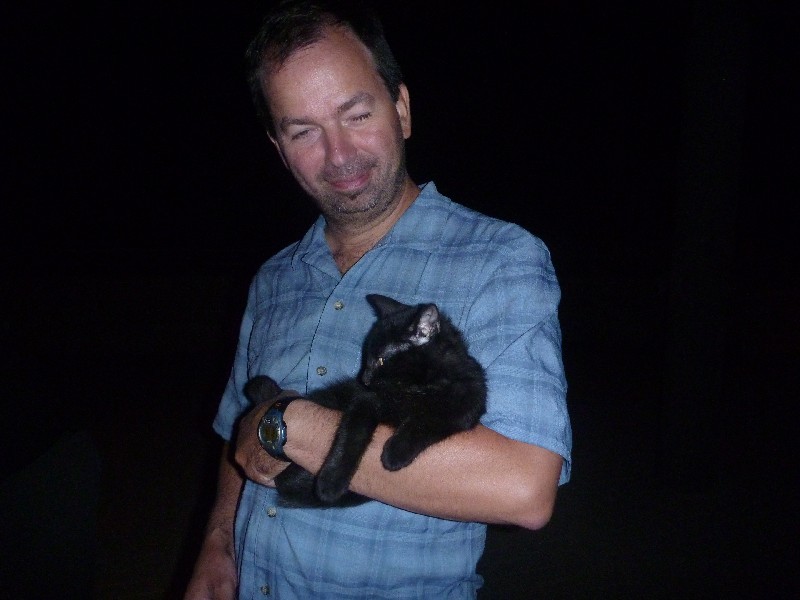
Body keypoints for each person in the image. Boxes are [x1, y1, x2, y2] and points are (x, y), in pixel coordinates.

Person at [184, 1, 572, 598]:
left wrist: (288, 425)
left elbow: (523, 488)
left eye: (356, 114)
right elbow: (238, 429)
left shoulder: (499, 258)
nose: (338, 154)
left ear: (402, 109)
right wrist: (218, 544)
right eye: (303, 131)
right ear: (279, 148)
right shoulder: (274, 278)